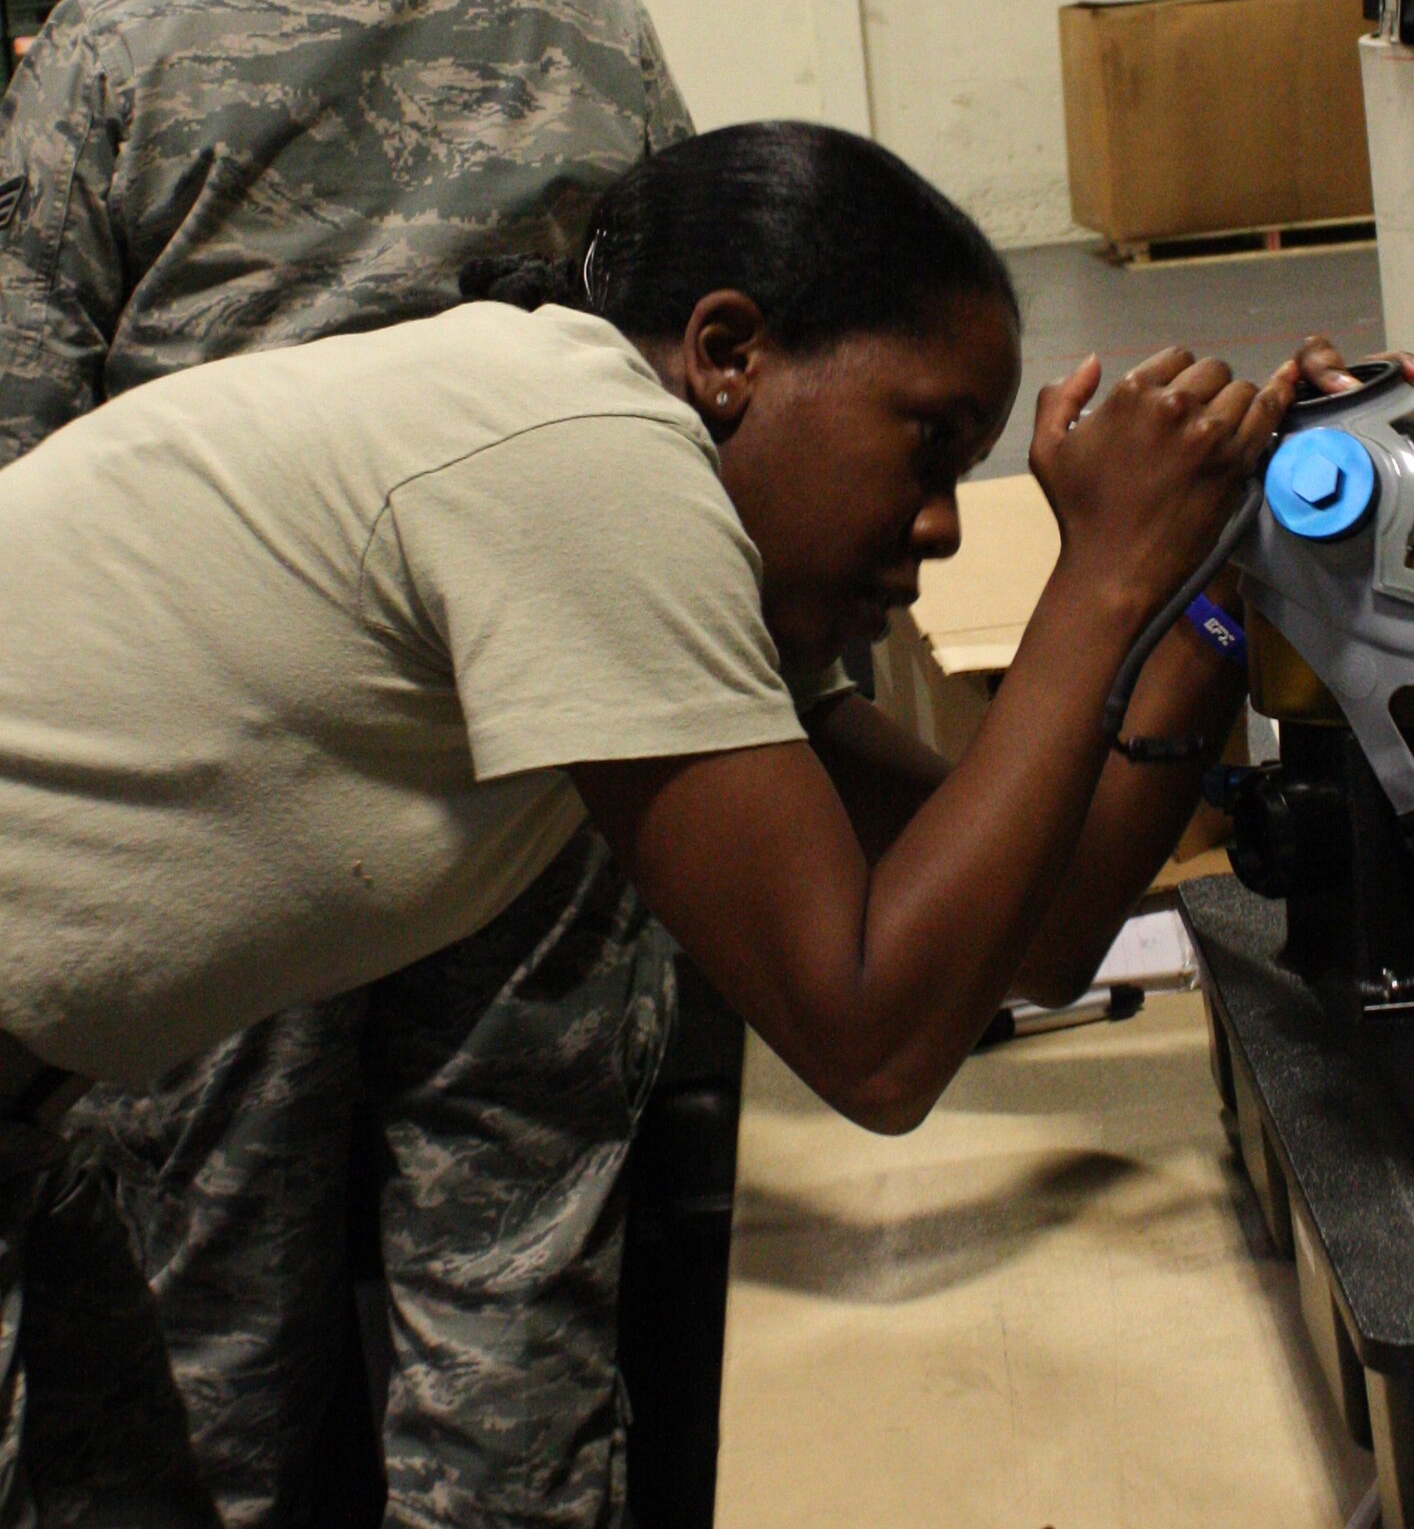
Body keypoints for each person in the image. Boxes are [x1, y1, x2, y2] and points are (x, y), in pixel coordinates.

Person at [0, 117, 1321, 1521]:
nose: (942, 525)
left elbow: (1039, 935)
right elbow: (873, 1040)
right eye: (928, 443)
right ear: (730, 351)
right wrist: (1104, 575)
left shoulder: (634, 517)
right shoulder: (582, 452)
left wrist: (1221, 586)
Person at [0, 0, 694, 1523]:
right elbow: (677, 373)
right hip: (533, 721)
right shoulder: (586, 17)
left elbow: (22, 430)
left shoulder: (118, 39)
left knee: (206, 1320)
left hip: (218, 762)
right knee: (514, 1278)